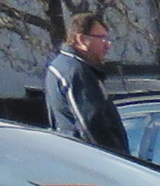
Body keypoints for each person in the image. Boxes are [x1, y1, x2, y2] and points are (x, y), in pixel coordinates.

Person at [42, 13, 124, 152]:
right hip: (91, 157)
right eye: (102, 38)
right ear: (81, 39)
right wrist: (114, 158)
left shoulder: (60, 66)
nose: (107, 44)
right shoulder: (75, 71)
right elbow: (90, 123)